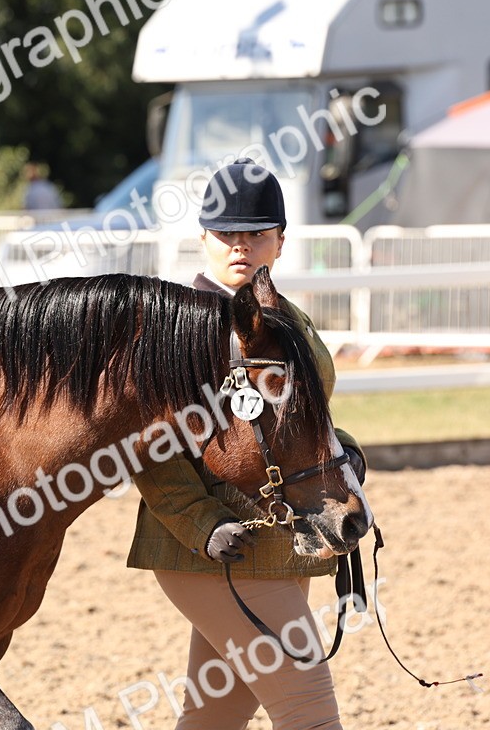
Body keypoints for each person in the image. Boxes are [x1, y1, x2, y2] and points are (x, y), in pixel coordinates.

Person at [127, 158, 367, 730]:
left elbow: (303, 423)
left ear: (280, 242)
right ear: (203, 240)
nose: (241, 247)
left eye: (257, 234)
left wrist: (344, 455)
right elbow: (150, 443)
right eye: (227, 234)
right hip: (210, 552)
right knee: (310, 711)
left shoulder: (289, 322)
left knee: (214, 719)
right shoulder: (174, 330)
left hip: (284, 545)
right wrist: (202, 524)